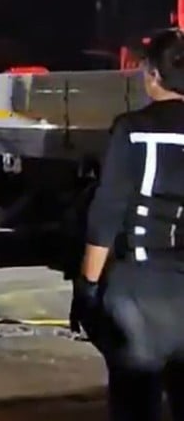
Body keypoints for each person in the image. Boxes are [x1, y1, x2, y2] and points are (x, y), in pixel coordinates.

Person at [71, 28, 184, 421]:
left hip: (138, 290)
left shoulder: (132, 129)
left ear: (153, 75)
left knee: (135, 405)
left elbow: (107, 212)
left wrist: (86, 287)